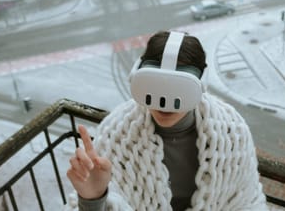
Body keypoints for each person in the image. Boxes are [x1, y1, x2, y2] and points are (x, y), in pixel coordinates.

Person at [67, 30, 269, 210]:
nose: (164, 103)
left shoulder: (232, 133)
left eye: (179, 90)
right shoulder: (116, 135)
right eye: (154, 87)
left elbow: (248, 201)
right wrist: (93, 200)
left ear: (201, 84)